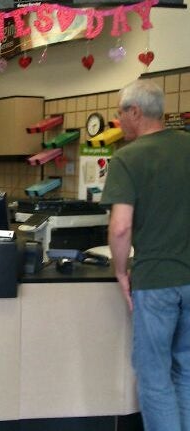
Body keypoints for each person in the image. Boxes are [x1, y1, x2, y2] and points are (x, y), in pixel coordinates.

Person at [100, 79, 190, 431]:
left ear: (135, 112)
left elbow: (121, 228)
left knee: (154, 377)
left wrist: (121, 270)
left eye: (120, 113)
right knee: (186, 371)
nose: (118, 120)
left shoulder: (128, 157)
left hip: (155, 282)